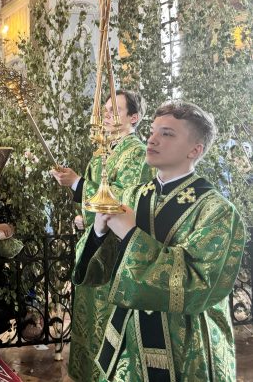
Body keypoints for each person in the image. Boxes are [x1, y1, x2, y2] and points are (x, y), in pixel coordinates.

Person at [74, 101, 246, 381]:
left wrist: (131, 234)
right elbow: (98, 273)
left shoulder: (217, 211)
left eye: (167, 134)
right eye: (153, 131)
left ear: (195, 150)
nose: (152, 139)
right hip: (128, 343)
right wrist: (98, 232)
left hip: (186, 348)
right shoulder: (131, 196)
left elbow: (198, 285)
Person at [52, 89, 153, 382]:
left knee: (109, 326)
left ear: (134, 117)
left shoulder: (137, 153)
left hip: (116, 254)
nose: (106, 115)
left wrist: (77, 183)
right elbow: (95, 195)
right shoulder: (102, 152)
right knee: (88, 321)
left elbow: (124, 198)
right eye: (105, 109)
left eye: (115, 110)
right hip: (94, 245)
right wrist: (83, 212)